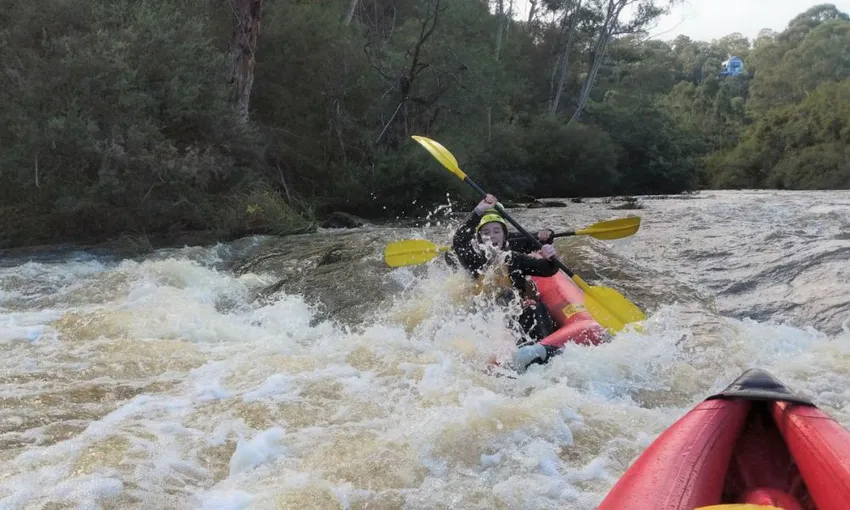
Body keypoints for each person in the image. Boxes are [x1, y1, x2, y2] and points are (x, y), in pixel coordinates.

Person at [452, 193, 562, 370]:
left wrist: (550, 258)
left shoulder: (514, 258)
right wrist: (478, 211)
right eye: (486, 233)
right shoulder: (473, 259)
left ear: (505, 237)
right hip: (486, 314)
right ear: (479, 239)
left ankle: (545, 350)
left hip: (514, 310)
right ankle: (505, 361)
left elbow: (547, 269)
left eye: (497, 232)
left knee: (535, 307)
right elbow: (458, 241)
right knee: (504, 306)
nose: (492, 236)